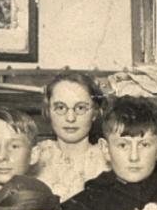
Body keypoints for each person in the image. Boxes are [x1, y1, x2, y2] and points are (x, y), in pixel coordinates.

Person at [34, 72, 110, 202]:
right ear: (48, 111)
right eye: (60, 107)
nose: (70, 118)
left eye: (80, 108)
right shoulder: (34, 158)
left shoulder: (108, 159)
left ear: (95, 112)